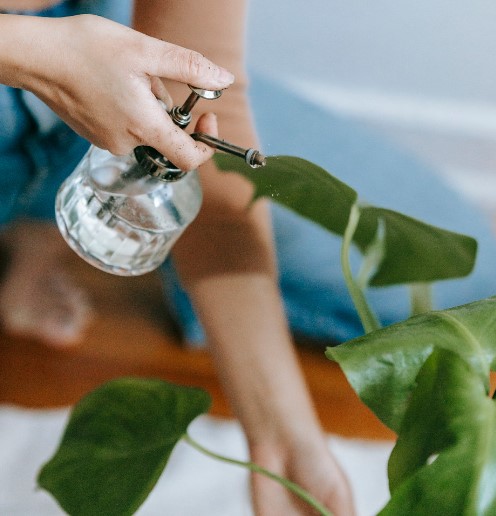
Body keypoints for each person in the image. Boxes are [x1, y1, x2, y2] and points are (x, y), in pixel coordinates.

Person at [0, 1, 357, 514]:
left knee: (462, 279)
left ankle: (40, 224)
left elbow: (216, 138)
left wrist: (284, 436)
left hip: (100, 74)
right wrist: (33, 54)